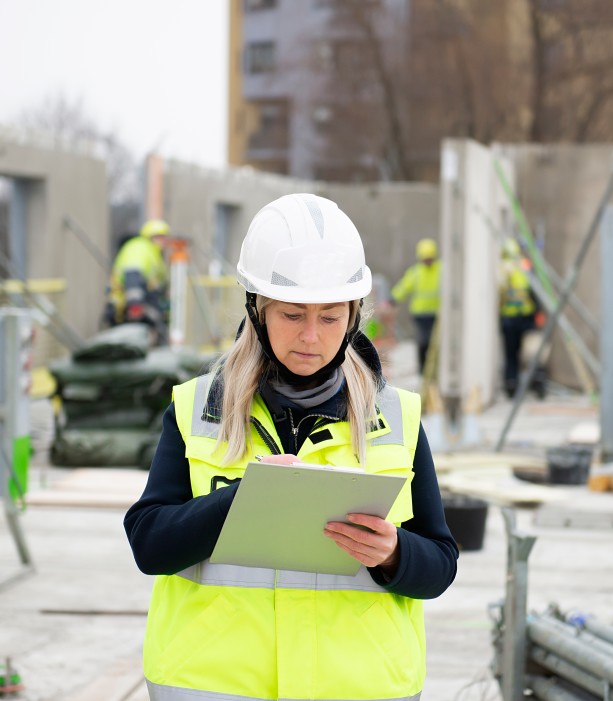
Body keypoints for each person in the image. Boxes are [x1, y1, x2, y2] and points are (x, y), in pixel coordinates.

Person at [124, 193, 459, 701]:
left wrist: (393, 553)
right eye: (292, 315)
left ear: (353, 317)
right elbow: (149, 545)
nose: (311, 337)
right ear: (257, 310)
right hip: (217, 687)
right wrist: (238, 500)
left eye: (330, 317)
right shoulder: (198, 410)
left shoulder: (395, 419)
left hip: (357, 688)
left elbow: (440, 564)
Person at [104, 219, 171, 328]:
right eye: (159, 237)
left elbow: (159, 284)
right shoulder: (139, 248)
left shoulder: (155, 255)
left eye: (165, 238)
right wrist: (135, 305)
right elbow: (132, 276)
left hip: (143, 309)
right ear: (149, 237)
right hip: (125, 310)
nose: (164, 241)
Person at [498, 238, 543, 399]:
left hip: (509, 318)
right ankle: (538, 381)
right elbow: (535, 291)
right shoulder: (525, 265)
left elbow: (499, 295)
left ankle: (511, 384)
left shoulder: (501, 269)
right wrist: (539, 313)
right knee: (533, 351)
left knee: (511, 354)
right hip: (527, 315)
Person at [390, 237, 442, 375]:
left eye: (430, 258)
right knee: (423, 342)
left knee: (434, 344)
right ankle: (423, 370)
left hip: (436, 314)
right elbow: (404, 286)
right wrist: (394, 298)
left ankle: (433, 371)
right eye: (425, 258)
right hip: (420, 315)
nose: (428, 261)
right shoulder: (416, 272)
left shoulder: (441, 270)